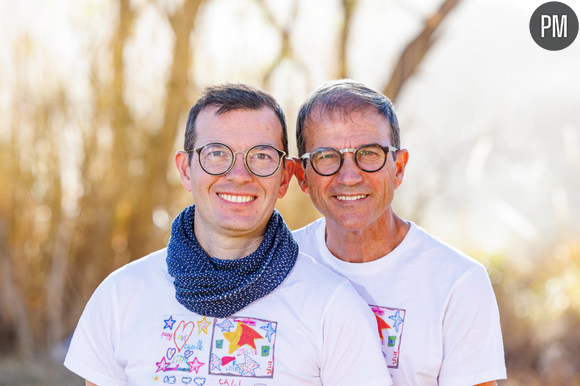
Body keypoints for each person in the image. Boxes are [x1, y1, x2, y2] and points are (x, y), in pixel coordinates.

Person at [64, 83, 392, 386]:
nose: (238, 175)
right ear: (184, 169)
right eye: (217, 153)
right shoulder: (121, 295)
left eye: (261, 156)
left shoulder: (333, 307)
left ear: (284, 177)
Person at [292, 79, 507, 386]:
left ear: (399, 167)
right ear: (302, 175)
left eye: (369, 153)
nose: (350, 177)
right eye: (326, 156)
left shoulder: (458, 284)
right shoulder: (277, 265)